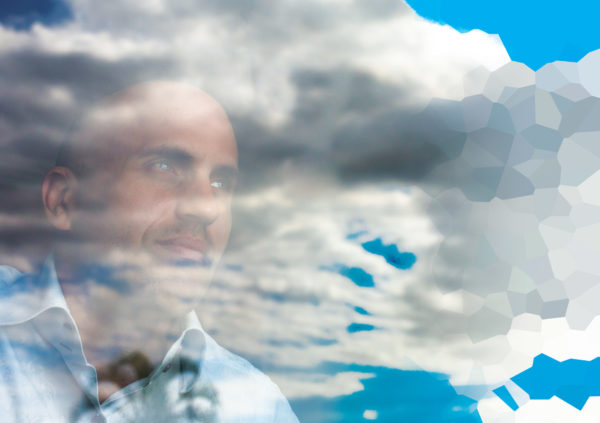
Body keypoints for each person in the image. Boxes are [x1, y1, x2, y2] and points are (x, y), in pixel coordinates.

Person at [0, 81, 299, 422]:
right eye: (164, 167)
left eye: (220, 184)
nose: (206, 209)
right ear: (64, 201)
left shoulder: (257, 408)